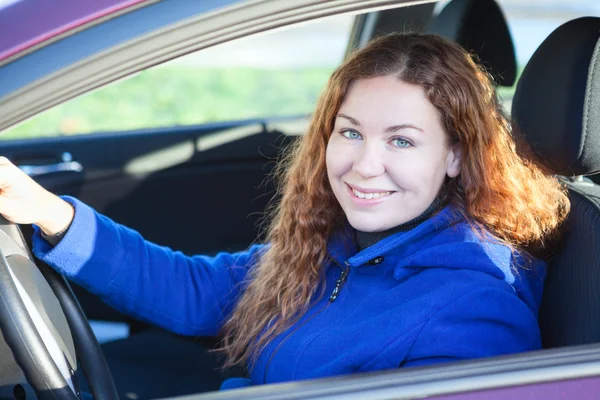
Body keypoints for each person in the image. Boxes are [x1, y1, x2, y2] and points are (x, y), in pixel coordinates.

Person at [0, 33, 569, 390]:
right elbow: (200, 292)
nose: (364, 165)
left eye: (401, 141)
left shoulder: (475, 306)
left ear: (455, 156)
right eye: (350, 133)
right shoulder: (338, 245)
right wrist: (52, 214)